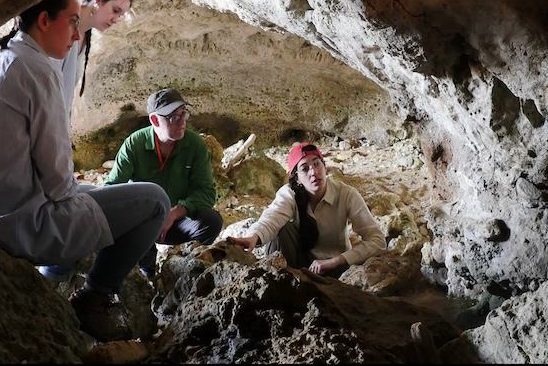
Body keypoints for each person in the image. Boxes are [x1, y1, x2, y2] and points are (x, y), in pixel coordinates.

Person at [0, 0, 171, 342]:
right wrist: (87, 198)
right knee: (154, 201)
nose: (78, 35)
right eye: (71, 23)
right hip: (14, 222)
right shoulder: (36, 71)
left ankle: (55, 279)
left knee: (99, 196)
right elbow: (58, 182)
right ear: (45, 20)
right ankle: (95, 296)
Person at [104, 88, 222, 279]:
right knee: (123, 221)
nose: (182, 121)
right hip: (143, 222)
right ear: (155, 120)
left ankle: (189, 260)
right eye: (174, 117)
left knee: (211, 221)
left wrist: (175, 212)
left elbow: (206, 192)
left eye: (184, 113)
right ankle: (146, 266)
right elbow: (112, 189)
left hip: (176, 221)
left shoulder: (195, 145)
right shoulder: (134, 144)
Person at [228, 142, 386, 278]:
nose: (313, 172)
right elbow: (272, 217)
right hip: (299, 264)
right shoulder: (290, 193)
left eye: (317, 164)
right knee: (282, 229)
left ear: (325, 167)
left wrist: (338, 260)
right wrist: (253, 237)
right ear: (296, 178)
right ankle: (282, 283)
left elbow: (377, 240)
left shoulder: (346, 194)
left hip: (335, 268)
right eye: (304, 168)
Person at [53, 0, 134, 123]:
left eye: (121, 15)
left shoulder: (84, 37)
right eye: (115, 10)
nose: (116, 20)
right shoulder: (62, 27)